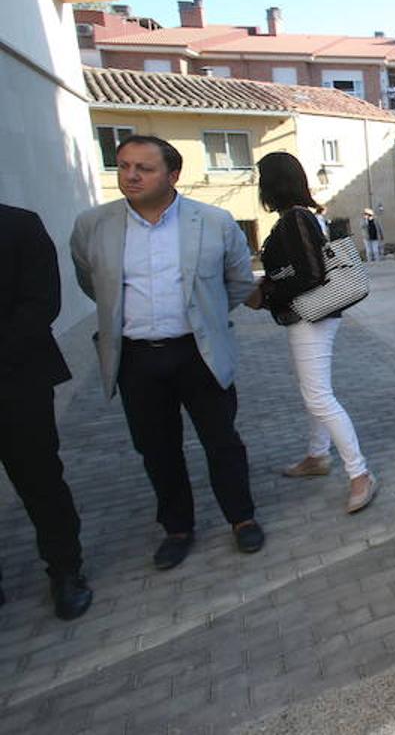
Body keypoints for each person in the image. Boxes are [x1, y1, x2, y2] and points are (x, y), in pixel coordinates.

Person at [70, 135, 264, 569]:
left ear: (173, 175)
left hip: (199, 352)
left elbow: (238, 282)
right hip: (136, 358)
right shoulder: (93, 225)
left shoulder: (213, 222)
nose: (132, 175)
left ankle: (242, 517)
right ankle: (177, 527)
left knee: (222, 441)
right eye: (123, 166)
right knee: (156, 448)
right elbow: (92, 281)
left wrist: (205, 317)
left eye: (145, 168)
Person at [247, 152, 376, 514]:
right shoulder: (302, 217)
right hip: (311, 315)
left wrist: (268, 289)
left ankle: (360, 473)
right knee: (313, 392)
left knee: (318, 396)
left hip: (312, 315)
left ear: (272, 183)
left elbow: (309, 273)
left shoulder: (296, 219)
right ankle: (317, 455)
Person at [0, 205, 93, 620]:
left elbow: (41, 304)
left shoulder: (18, 225)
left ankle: (65, 571)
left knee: (40, 480)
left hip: (17, 381)